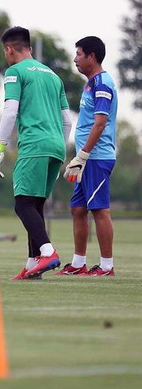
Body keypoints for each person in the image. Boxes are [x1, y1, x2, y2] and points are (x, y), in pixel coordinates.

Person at [0, 26, 72, 280]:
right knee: (36, 205)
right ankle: (31, 266)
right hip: (57, 146)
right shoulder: (53, 76)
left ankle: (47, 252)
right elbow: (67, 121)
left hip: (34, 145)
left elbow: (10, 111)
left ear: (9, 49)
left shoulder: (15, 72)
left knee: (22, 204)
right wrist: (59, 148)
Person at [58, 36, 118, 276]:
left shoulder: (102, 83)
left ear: (92, 56)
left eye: (79, 54)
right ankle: (78, 262)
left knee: (99, 210)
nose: (75, 60)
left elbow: (100, 123)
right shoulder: (91, 83)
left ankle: (106, 267)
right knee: (78, 210)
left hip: (96, 158)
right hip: (86, 158)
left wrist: (81, 156)